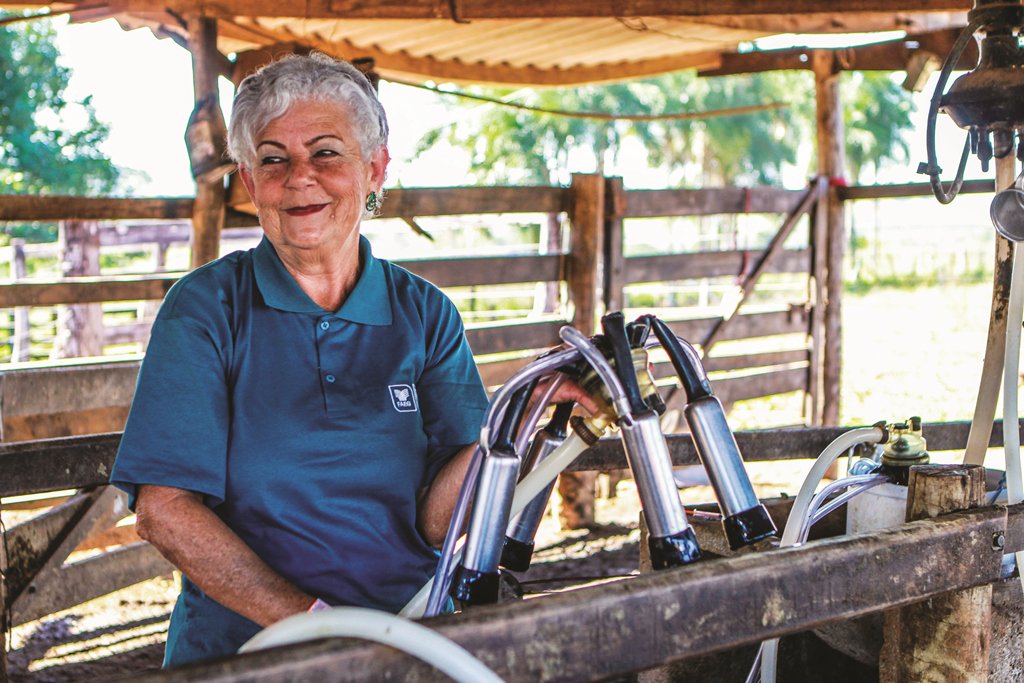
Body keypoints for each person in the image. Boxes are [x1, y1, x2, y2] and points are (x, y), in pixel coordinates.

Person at [111, 52, 593, 667]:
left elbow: (442, 526)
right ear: (250, 181)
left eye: (326, 153)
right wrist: (317, 625)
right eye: (273, 158)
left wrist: (518, 405)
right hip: (249, 652)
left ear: (374, 169)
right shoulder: (206, 309)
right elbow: (166, 511)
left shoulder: (424, 313)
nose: (299, 177)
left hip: (411, 633)